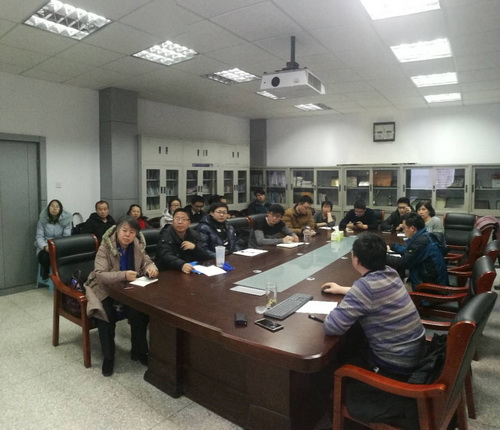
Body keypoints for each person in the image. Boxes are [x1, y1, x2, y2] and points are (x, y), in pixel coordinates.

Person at [322, 232, 426, 429]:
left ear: (356, 259)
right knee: (355, 339)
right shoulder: (391, 272)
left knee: (339, 358)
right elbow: (372, 292)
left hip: (395, 367)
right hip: (415, 354)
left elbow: (332, 326)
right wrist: (344, 290)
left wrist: (344, 302)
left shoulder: (365, 288)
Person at [84, 216, 158, 377]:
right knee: (105, 316)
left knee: (140, 313)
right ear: (117, 230)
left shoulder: (137, 245)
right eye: (124, 230)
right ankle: (108, 357)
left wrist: (151, 267)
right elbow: (100, 275)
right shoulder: (105, 247)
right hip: (105, 290)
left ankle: (139, 351)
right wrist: (123, 275)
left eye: (132, 232)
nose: (127, 235)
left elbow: (147, 261)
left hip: (129, 290)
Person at [386, 212, 449, 290]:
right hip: (427, 280)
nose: (403, 230)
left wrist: (382, 256)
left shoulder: (421, 242)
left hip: (429, 288)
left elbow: (404, 263)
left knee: (391, 289)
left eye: (404, 228)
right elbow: (409, 251)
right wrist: (393, 246)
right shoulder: (424, 236)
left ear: (412, 228)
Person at [156, 208, 212, 273]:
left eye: (184, 219)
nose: (180, 222)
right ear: (172, 222)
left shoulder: (194, 234)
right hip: (168, 271)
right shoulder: (165, 234)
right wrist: (181, 265)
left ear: (189, 223)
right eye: (177, 219)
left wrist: (195, 247)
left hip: (189, 269)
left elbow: (205, 255)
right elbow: (165, 255)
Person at [35, 199, 72, 280]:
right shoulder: (42, 220)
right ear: (48, 208)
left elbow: (66, 236)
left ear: (60, 209)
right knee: (44, 257)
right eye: (52, 206)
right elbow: (39, 237)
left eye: (57, 207)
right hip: (46, 246)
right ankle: (46, 271)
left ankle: (64, 276)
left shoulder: (66, 221)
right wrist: (45, 247)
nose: (54, 208)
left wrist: (58, 246)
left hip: (60, 246)